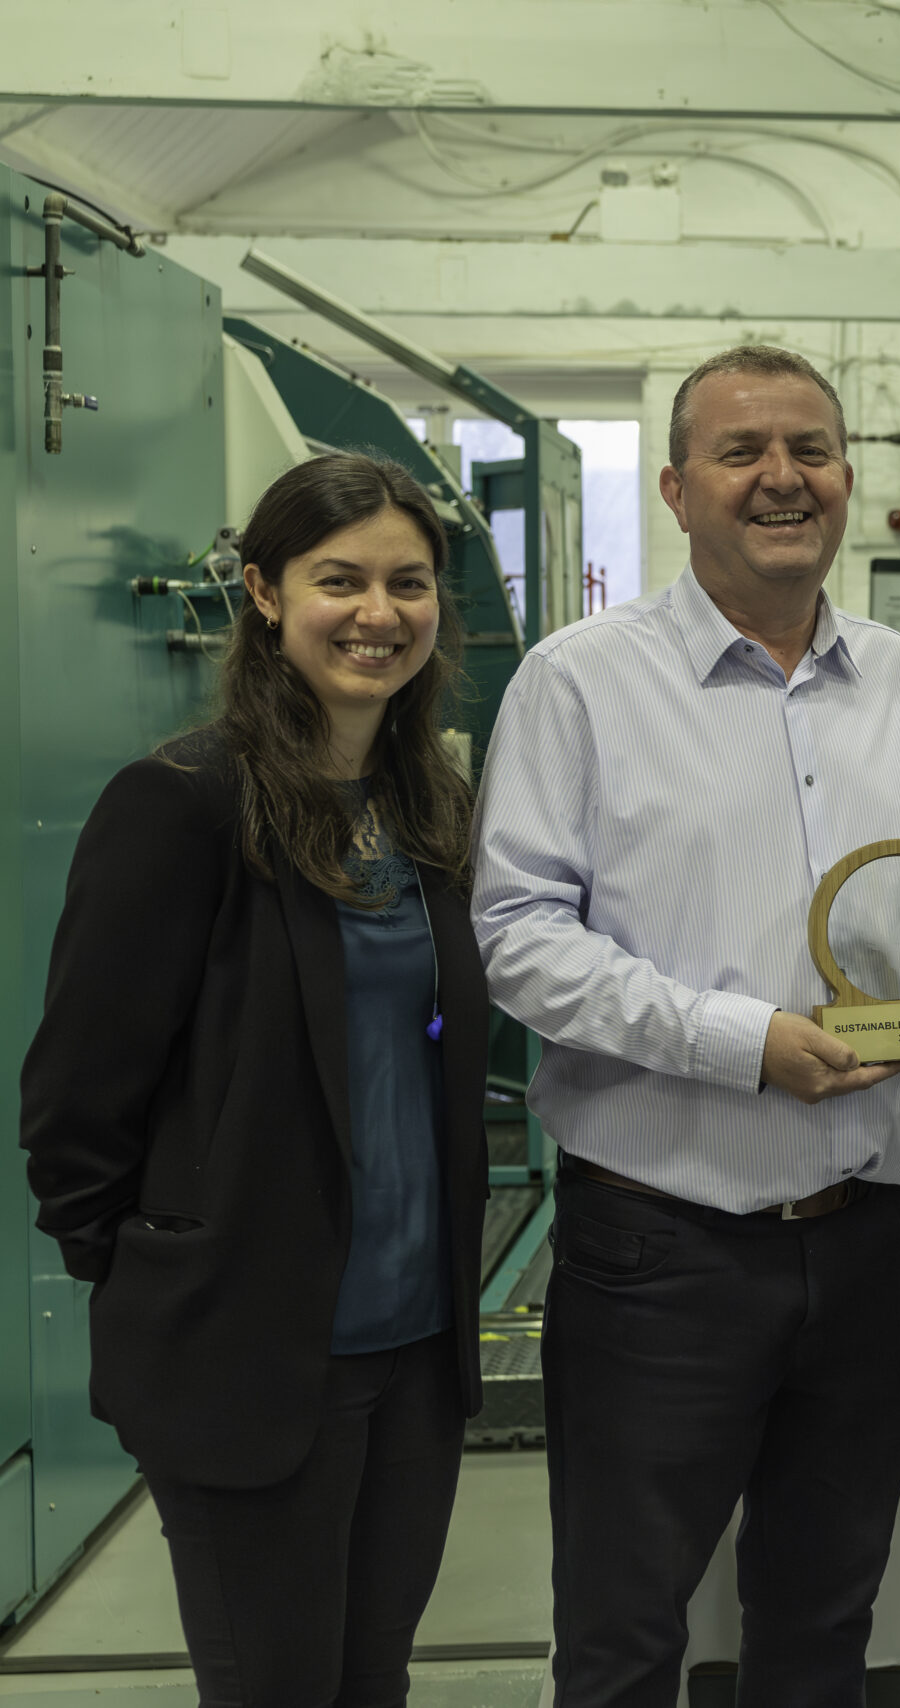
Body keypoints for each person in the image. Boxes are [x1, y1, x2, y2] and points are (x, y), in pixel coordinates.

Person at [471, 344, 900, 1704]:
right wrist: (743, 1041)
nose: (783, 478)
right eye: (743, 453)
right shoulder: (579, 682)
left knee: (822, 1619)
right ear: (675, 487)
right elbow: (520, 940)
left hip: (864, 1242)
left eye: (812, 450)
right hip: (661, 1247)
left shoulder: (897, 677)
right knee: (624, 1635)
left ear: (847, 478)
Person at [20, 452, 489, 1704]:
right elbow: (77, 1096)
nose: (377, 613)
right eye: (339, 580)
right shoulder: (181, 804)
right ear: (266, 593)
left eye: (407, 582)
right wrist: (159, 1272)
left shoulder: (425, 805)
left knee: (371, 1679)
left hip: (415, 1353)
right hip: (254, 1355)